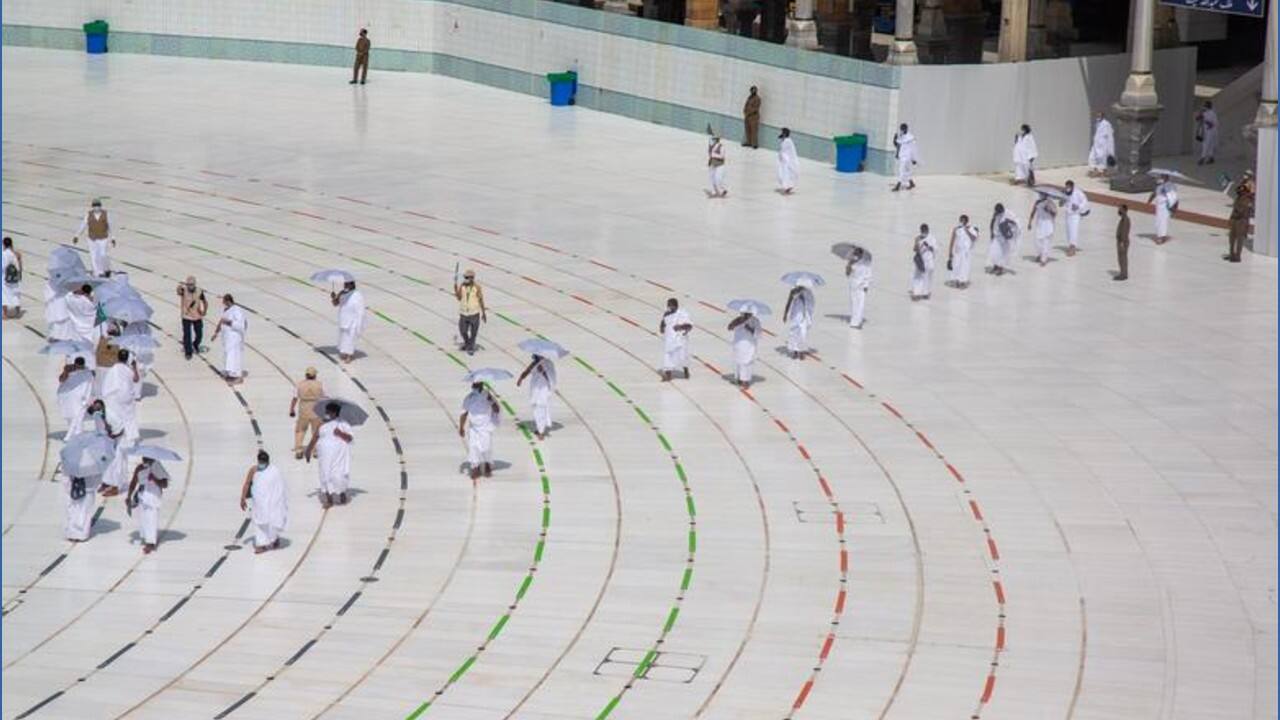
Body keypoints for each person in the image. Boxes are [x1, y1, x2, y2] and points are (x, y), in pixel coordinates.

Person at [305, 401, 354, 508]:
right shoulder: (321, 424)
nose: (326, 414)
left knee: (338, 476)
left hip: (338, 457)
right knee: (325, 475)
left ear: (335, 412)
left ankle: (342, 494)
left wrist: (340, 433)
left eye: (329, 412)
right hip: (324, 457)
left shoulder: (343, 424)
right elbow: (315, 438)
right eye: (326, 411)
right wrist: (308, 450)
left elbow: (350, 438)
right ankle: (329, 500)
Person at [240, 450, 288, 554]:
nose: (261, 464)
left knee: (272, 520)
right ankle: (260, 544)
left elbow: (280, 488)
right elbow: (247, 483)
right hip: (259, 503)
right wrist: (242, 498)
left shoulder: (274, 471)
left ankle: (274, 538)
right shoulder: (253, 470)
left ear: (267, 461)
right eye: (260, 462)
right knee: (259, 522)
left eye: (263, 462)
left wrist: (278, 500)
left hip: (273, 502)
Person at [126, 457, 169, 554]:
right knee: (144, 519)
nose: (144, 461)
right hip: (142, 496)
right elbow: (133, 482)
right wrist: (129, 496)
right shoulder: (139, 468)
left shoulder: (158, 468)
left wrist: (155, 479)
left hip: (153, 496)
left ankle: (151, 542)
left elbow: (164, 484)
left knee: (152, 518)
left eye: (147, 459)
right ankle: (147, 538)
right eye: (144, 459)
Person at [101, 348, 141, 450]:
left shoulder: (112, 369)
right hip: (126, 397)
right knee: (129, 417)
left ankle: (118, 438)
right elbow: (136, 379)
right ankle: (130, 438)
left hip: (114, 397)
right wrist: (135, 367)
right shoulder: (128, 370)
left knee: (117, 417)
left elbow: (107, 385)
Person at [459, 382, 500, 480]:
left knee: (486, 448)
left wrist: (492, 401)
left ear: (481, 386)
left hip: (486, 426)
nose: (474, 388)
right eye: (474, 386)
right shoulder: (469, 398)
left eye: (477, 386)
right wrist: (461, 427)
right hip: (474, 428)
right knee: (473, 448)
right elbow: (464, 413)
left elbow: (497, 410)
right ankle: (475, 468)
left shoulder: (488, 396)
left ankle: (487, 465)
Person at [517, 354, 558, 440]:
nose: (535, 358)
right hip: (535, 389)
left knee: (541, 408)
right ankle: (540, 428)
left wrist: (543, 372)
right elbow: (527, 371)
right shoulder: (535, 363)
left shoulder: (548, 363)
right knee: (536, 408)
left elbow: (551, 377)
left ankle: (541, 432)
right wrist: (521, 378)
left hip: (544, 389)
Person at [210, 294, 248, 383]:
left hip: (234, 338)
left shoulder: (237, 310)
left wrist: (229, 322)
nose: (223, 304)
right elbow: (221, 321)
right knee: (228, 356)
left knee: (234, 356)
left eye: (224, 302)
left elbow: (241, 325)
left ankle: (237, 376)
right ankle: (230, 373)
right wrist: (216, 332)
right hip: (227, 338)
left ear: (228, 301)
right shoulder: (226, 310)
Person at [72, 198, 115, 276]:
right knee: (93, 256)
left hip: (103, 237)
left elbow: (110, 226)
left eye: (98, 206)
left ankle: (106, 268)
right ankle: (97, 272)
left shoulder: (106, 214)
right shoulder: (89, 214)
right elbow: (83, 225)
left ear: (100, 206)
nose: (96, 208)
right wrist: (77, 235)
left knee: (103, 255)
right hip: (91, 238)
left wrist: (113, 237)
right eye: (95, 206)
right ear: (92, 207)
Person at [290, 367, 326, 459]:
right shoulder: (320, 384)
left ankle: (298, 450)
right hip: (316, 409)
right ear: (315, 375)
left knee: (300, 430)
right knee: (316, 431)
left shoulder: (300, 384)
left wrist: (292, 409)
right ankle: (315, 451)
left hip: (303, 409)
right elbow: (325, 397)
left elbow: (295, 398)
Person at [65, 463, 103, 541]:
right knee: (85, 512)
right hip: (88, 488)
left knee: (73, 510)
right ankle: (82, 534)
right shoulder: (93, 461)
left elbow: (65, 476)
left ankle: (72, 533)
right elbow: (98, 477)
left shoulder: (71, 459)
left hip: (73, 489)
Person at [58, 357, 93, 438]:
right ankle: (75, 434)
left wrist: (86, 399)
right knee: (72, 417)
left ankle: (73, 435)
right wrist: (66, 371)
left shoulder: (87, 373)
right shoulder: (70, 372)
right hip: (69, 398)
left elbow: (89, 386)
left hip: (80, 398)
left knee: (77, 418)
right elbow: (61, 380)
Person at [454, 269, 487, 355]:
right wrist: (455, 289)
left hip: (474, 313)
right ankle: (468, 343)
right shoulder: (462, 286)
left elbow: (481, 300)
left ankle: (470, 346)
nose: (465, 279)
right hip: (464, 313)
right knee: (463, 331)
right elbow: (459, 298)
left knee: (473, 333)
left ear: (472, 278)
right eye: (465, 277)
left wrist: (483, 313)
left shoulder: (477, 287)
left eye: (467, 277)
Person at [333, 280, 366, 363]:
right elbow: (335, 304)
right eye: (345, 284)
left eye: (347, 284)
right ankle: (344, 352)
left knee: (351, 337)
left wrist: (360, 320)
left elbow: (360, 308)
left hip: (353, 319)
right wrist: (334, 297)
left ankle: (349, 355)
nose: (345, 285)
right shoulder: (342, 293)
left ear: (352, 285)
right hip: (343, 317)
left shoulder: (357, 294)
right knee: (344, 337)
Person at [660, 298, 693, 380]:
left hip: (680, 339)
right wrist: (662, 328)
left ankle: (686, 370)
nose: (668, 307)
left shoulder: (682, 314)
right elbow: (663, 323)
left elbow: (689, 326)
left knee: (683, 357)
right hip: (669, 339)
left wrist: (680, 327)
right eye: (668, 305)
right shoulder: (667, 314)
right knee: (667, 357)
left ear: (675, 305)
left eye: (670, 305)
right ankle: (668, 375)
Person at [176, 275, 207, 360]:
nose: (190, 286)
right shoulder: (184, 290)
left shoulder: (199, 291)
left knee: (199, 334)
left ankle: (196, 344)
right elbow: (178, 291)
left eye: (192, 284)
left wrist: (204, 311)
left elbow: (204, 302)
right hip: (186, 316)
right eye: (188, 284)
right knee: (187, 334)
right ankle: (188, 352)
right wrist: (179, 287)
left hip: (197, 315)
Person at [1225, 171, 1255, 262]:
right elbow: (1237, 190)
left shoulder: (1248, 198)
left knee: (1239, 237)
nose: (1244, 175)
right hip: (1235, 216)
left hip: (1241, 219)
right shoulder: (1240, 196)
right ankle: (1231, 254)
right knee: (1232, 237)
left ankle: (1237, 256)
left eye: (1247, 175)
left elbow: (1245, 211)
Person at [727, 310, 761, 388]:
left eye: (748, 313)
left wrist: (749, 328)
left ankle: (745, 381)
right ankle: (738, 378)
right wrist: (737, 323)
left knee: (747, 362)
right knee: (738, 362)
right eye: (744, 313)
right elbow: (729, 327)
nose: (745, 315)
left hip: (749, 345)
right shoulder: (738, 319)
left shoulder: (755, 321)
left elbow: (758, 334)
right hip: (738, 344)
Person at [783, 281, 815, 359]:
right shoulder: (793, 291)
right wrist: (785, 314)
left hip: (804, 316)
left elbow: (811, 303)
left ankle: (801, 351)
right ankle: (795, 350)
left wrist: (804, 299)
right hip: (795, 315)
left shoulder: (808, 292)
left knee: (803, 334)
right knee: (794, 333)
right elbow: (789, 302)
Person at [988, 203, 1021, 276]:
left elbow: (1016, 222)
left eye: (998, 212)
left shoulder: (1009, 213)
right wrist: (991, 233)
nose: (997, 213)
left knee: (1003, 253)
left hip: (1005, 237)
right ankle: (995, 266)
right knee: (995, 252)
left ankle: (1001, 268)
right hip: (997, 235)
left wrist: (1009, 223)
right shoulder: (996, 213)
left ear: (1002, 209)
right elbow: (993, 221)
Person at [845, 247, 872, 329]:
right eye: (855, 253)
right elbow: (847, 274)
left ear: (861, 254)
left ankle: (858, 321)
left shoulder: (866, 263)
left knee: (860, 304)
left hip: (861, 286)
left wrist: (866, 286)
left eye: (857, 253)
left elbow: (868, 275)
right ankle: (854, 321)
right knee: (853, 303)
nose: (855, 255)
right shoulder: (851, 262)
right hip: (853, 285)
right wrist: (849, 265)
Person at [947, 215, 978, 289]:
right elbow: (952, 240)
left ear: (966, 221)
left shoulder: (972, 229)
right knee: (957, 266)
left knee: (965, 267)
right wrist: (950, 252)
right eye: (960, 221)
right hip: (958, 251)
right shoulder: (956, 229)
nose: (961, 222)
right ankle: (957, 281)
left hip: (966, 252)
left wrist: (966, 230)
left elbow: (974, 238)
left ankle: (963, 282)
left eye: (962, 221)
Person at [1147, 174, 1178, 245]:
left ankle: (1161, 237)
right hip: (1158, 206)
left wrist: (1173, 207)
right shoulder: (1159, 185)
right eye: (1161, 176)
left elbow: (1173, 197)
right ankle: (1159, 235)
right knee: (1158, 221)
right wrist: (1149, 200)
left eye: (1163, 176)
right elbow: (1154, 193)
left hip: (1165, 206)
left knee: (1163, 222)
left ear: (1167, 177)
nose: (1162, 178)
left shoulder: (1171, 186)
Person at [910, 225, 937, 300]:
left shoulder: (932, 238)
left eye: (925, 231)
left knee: (928, 277)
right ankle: (917, 293)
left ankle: (925, 293)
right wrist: (917, 242)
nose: (923, 232)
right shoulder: (918, 238)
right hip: (920, 260)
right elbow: (915, 249)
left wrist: (928, 246)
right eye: (922, 231)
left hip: (929, 261)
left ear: (928, 230)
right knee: (919, 277)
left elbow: (934, 249)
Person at [1029, 192, 1057, 266]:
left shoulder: (1050, 203)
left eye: (1042, 194)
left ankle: (1044, 259)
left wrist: (1048, 210)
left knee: (1046, 242)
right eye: (1040, 194)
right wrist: (1030, 222)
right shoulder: (1037, 202)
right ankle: (1040, 254)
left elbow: (1055, 214)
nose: (1041, 195)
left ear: (1046, 195)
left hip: (1048, 224)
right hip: (1039, 224)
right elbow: (1033, 212)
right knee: (1037, 241)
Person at [1063, 180, 1090, 256]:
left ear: (1072, 186)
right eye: (1066, 186)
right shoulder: (1065, 193)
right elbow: (1063, 202)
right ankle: (1070, 245)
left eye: (1069, 187)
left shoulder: (1078, 192)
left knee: (1073, 230)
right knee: (1068, 231)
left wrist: (1078, 206)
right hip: (1067, 214)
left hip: (1075, 215)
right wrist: (1062, 202)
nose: (1067, 188)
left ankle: (1073, 247)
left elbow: (1085, 201)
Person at [44, 276, 75, 341]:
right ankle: (56, 336)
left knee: (61, 319)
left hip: (60, 301)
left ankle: (58, 336)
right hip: (59, 301)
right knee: (59, 319)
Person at [1087, 111, 1115, 177]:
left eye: (1100, 116)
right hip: (1096, 144)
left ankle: (1101, 171)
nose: (1098, 117)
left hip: (1103, 144)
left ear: (1103, 116)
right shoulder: (1097, 123)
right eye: (1097, 116)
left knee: (1102, 158)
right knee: (1092, 157)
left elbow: (1109, 135)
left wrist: (1109, 147)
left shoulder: (1106, 124)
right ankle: (1093, 169)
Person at [892, 123, 918, 192]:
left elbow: (913, 149)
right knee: (907, 171)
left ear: (905, 129)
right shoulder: (902, 136)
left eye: (902, 129)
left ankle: (898, 186)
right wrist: (894, 138)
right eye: (901, 129)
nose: (901, 131)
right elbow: (897, 145)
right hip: (903, 157)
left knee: (901, 171)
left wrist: (913, 159)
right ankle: (911, 183)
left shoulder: (910, 138)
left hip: (906, 158)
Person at [2, 236, 22, 319]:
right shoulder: (15, 253)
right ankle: (17, 312)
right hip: (15, 277)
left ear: (3, 244)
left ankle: (5, 314)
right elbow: (19, 266)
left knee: (4, 295)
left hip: (5, 277)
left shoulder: (3, 254)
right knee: (15, 294)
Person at [776, 128, 798, 194]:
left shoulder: (787, 141)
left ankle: (787, 187)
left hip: (788, 161)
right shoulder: (787, 140)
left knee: (786, 174)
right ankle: (787, 187)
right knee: (784, 174)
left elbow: (784, 151)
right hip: (785, 161)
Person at [1195, 100, 1218, 165]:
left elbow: (1214, 124)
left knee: (1207, 144)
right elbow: (1197, 119)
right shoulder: (1203, 113)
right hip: (1205, 131)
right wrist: (1200, 114)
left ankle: (1203, 158)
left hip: (1211, 131)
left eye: (1205, 106)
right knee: (1208, 144)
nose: (1204, 107)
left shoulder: (1212, 113)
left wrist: (1206, 121)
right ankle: (1211, 157)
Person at [707, 133, 728, 198]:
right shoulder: (711, 147)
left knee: (718, 179)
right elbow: (710, 154)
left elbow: (722, 156)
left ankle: (723, 190)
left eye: (713, 139)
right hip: (712, 164)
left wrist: (714, 155)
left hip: (720, 165)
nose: (712, 141)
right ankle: (714, 192)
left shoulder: (721, 147)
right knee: (712, 178)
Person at [1114, 204, 1131, 281]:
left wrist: (1122, 242)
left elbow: (1124, 232)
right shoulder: (1124, 219)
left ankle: (1123, 274)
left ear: (1124, 210)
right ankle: (1123, 273)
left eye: (1120, 209)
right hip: (1121, 241)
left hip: (1122, 242)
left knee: (1122, 258)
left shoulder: (1125, 219)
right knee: (1121, 258)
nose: (1119, 210)